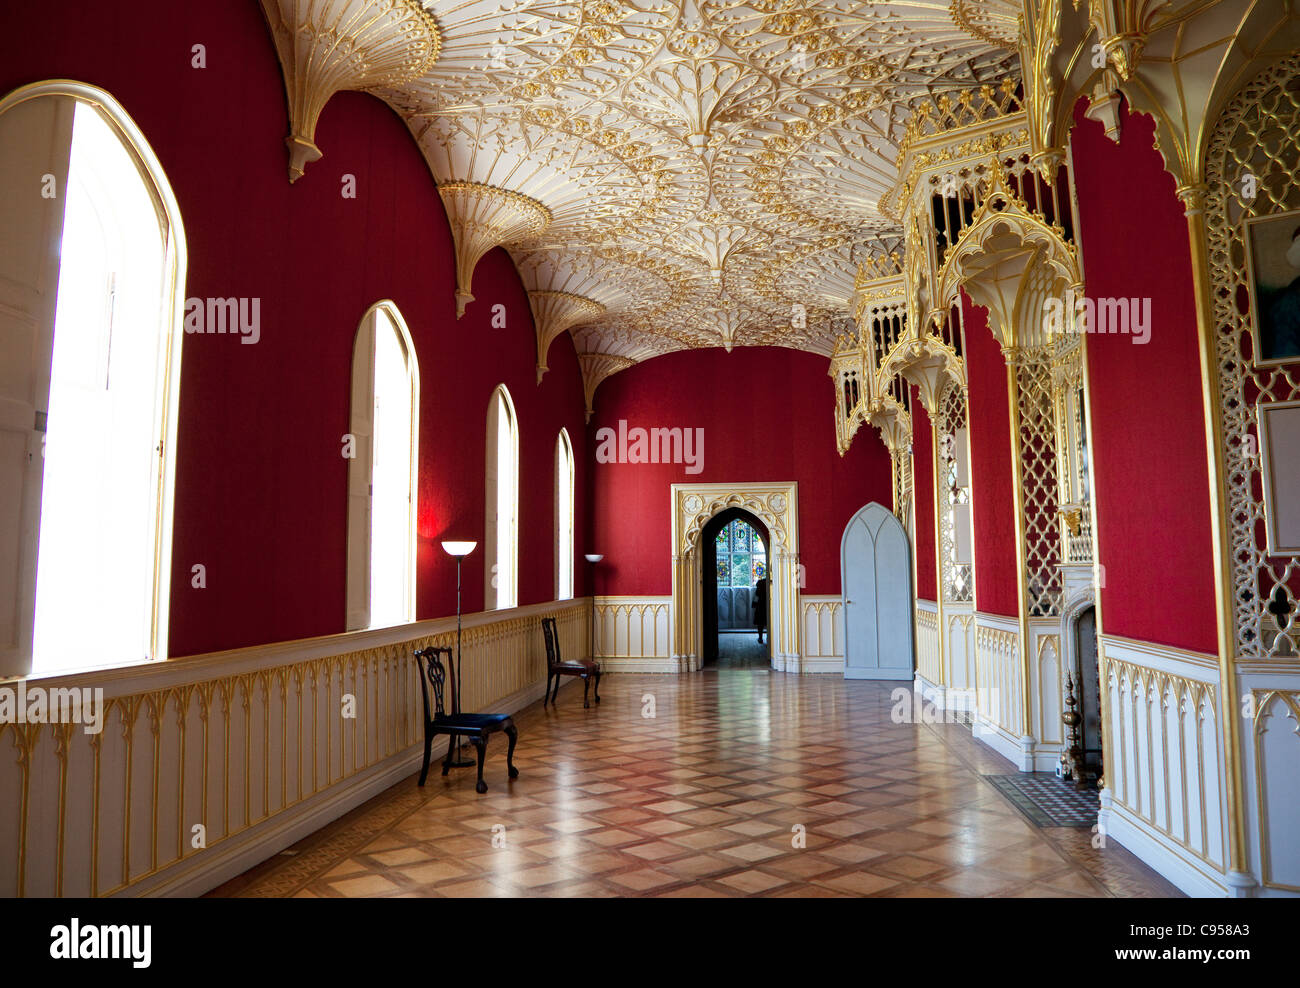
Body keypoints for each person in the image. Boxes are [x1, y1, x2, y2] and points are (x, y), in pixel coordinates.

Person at [753, 576, 769, 645]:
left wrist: (754, 603)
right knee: (769, 622)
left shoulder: (760, 582)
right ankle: (769, 638)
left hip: (761, 604)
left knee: (760, 623)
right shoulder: (771, 582)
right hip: (768, 604)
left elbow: (757, 594)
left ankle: (760, 638)